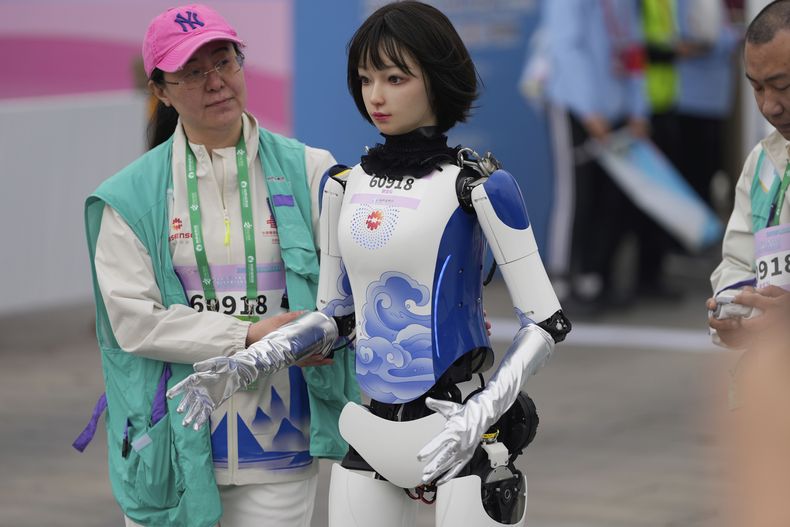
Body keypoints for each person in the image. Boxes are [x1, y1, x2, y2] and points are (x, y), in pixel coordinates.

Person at [168, 2, 571, 526]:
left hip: (459, 427)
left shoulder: (478, 186)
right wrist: (250, 360)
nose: (375, 95)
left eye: (396, 77)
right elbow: (335, 318)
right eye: (365, 79)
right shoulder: (343, 185)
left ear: (437, 79)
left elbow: (546, 322)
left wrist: (480, 416)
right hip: (369, 431)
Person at [76, 4, 358, 526]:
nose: (217, 82)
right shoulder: (128, 197)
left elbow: (357, 283)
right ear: (160, 90)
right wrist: (248, 336)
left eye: (225, 62)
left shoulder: (311, 171)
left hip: (280, 445)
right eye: (194, 72)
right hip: (171, 453)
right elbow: (134, 322)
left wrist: (329, 333)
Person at [540, 0, 649, 311]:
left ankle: (591, 281)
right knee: (575, 195)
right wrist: (589, 109)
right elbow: (566, 47)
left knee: (608, 198)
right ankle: (559, 284)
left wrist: (638, 108)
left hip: (615, 109)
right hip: (573, 106)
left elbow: (633, 48)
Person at [707, 0, 790, 349]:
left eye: (782, 85)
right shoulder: (764, 163)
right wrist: (735, 310)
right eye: (757, 88)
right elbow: (739, 261)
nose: (769, 106)